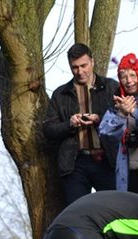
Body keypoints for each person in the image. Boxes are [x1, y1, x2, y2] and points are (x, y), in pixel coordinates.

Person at [43, 43, 118, 206]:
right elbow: (48, 129)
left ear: (92, 61)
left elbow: (123, 120)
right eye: (75, 67)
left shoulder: (111, 87)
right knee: (77, 211)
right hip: (75, 162)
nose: (80, 71)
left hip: (107, 159)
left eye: (84, 65)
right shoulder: (60, 94)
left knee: (113, 209)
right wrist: (69, 125)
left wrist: (100, 120)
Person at [99, 53, 138, 194]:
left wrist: (134, 111)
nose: (129, 81)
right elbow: (105, 133)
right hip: (128, 170)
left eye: (132, 75)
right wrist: (121, 114)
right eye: (123, 77)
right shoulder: (116, 100)